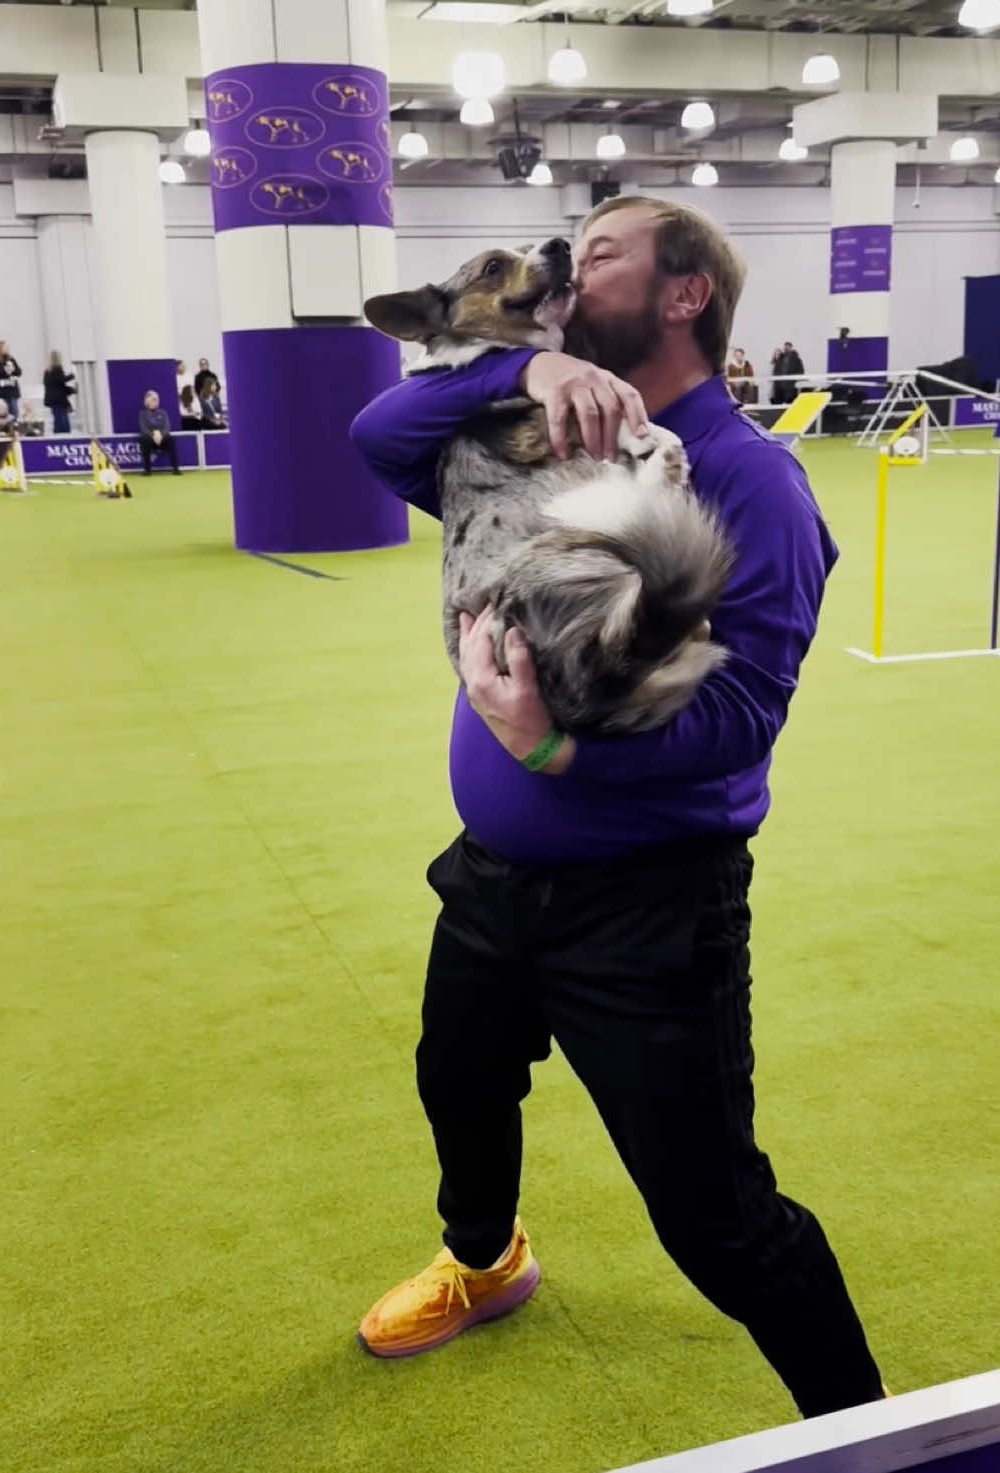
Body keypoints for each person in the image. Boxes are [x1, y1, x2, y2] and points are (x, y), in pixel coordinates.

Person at [349, 196, 886, 1420]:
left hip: (649, 914)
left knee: (718, 1216)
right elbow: (379, 434)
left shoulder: (750, 481)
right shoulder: (531, 427)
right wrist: (528, 360)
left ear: (683, 294)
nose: (565, 274)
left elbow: (741, 721)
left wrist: (553, 754)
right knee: (460, 1082)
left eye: (596, 260)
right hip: (491, 880)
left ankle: (876, 1435)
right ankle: (487, 1264)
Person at [138, 389, 181, 474]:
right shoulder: (142, 414)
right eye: (153, 400)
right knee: (144, 439)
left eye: (157, 400)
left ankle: (175, 468)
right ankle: (147, 469)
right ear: (147, 402)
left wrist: (161, 435)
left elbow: (167, 426)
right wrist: (153, 435)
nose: (156, 402)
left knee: (170, 439)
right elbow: (143, 428)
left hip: (162, 437)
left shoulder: (163, 413)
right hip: (150, 438)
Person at [43, 351, 76, 434]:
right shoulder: (57, 369)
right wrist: (72, 375)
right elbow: (61, 381)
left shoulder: (47, 372)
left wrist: (70, 390)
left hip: (52, 400)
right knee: (63, 421)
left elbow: (56, 385)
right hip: (59, 400)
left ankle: (58, 434)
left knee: (58, 419)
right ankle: (64, 436)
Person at [0, 340, 22, 420]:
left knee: (14, 411)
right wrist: (4, 370)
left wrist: (12, 370)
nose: (7, 349)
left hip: (11, 390)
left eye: (7, 347)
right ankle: (3, 430)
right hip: (0, 391)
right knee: (1, 412)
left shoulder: (10, 359)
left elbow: (18, 371)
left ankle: (13, 428)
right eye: (5, 347)